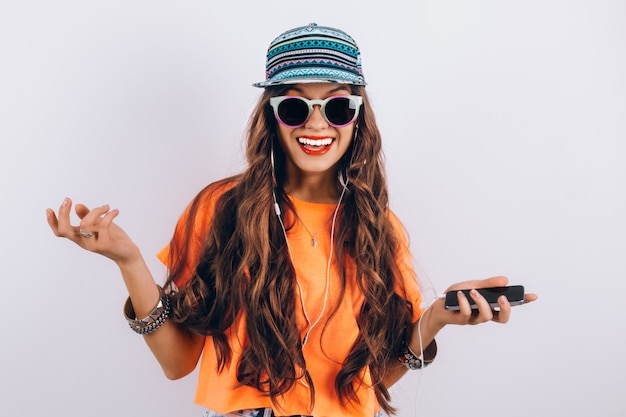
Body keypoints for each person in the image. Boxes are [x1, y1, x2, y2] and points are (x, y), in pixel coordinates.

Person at [47, 23, 537, 417]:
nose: (317, 124)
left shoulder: (378, 227)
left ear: (358, 117)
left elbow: (368, 381)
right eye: (297, 106)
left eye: (339, 106)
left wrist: (432, 322)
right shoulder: (221, 209)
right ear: (273, 115)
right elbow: (178, 363)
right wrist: (128, 261)